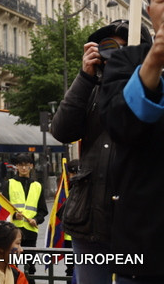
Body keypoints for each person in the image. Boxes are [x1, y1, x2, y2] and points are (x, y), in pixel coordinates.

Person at [51, 19, 151, 284]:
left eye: (125, 48)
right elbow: (61, 130)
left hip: (138, 221)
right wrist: (85, 76)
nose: (114, 54)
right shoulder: (91, 88)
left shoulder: (154, 91)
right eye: (109, 47)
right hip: (91, 219)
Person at [98, 0, 164, 282]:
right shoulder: (127, 61)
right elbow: (120, 125)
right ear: (150, 9)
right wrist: (155, 60)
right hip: (142, 246)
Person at [4, 152, 47, 278]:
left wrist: (36, 220)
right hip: (13, 231)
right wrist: (13, 215)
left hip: (30, 231)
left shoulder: (37, 186)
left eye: (26, 165)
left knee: (31, 266)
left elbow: (43, 211)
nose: (23, 168)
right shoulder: (10, 184)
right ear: (16, 166)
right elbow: (3, 208)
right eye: (21, 165)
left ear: (31, 166)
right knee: (13, 265)